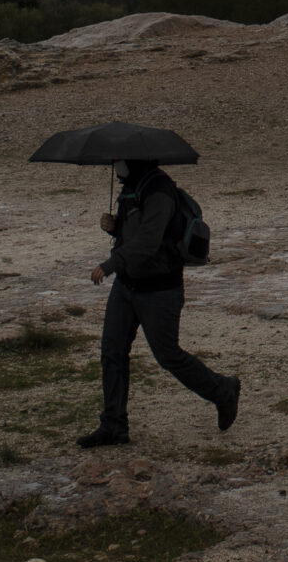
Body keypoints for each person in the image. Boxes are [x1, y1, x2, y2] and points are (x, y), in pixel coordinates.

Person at [78, 158, 239, 448]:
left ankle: (222, 390)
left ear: (136, 160)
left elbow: (150, 242)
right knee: (111, 352)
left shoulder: (160, 190)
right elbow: (136, 235)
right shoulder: (133, 187)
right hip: (128, 285)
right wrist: (115, 228)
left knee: (168, 355)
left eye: (121, 161)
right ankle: (113, 426)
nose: (117, 167)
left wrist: (112, 263)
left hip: (160, 289)